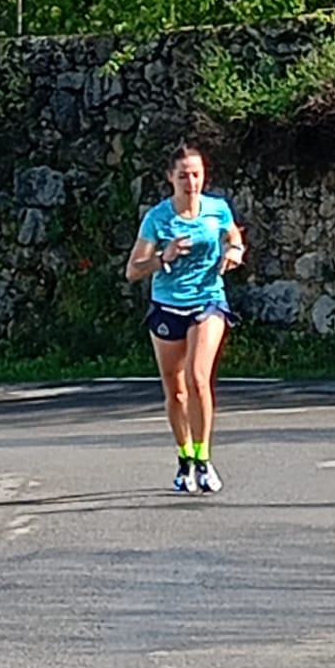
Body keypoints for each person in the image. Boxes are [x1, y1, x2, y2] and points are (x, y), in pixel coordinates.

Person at [125, 143, 245, 494]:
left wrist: (234, 249)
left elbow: (232, 233)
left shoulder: (217, 209)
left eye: (196, 174)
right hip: (167, 306)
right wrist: (165, 256)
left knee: (197, 378)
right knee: (176, 392)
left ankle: (205, 460)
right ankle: (185, 458)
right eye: (183, 176)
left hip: (208, 300)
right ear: (170, 179)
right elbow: (133, 270)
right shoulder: (158, 218)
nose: (191, 182)